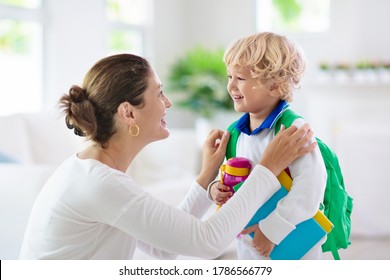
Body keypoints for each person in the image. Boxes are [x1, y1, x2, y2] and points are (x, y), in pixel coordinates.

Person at [19, 53, 316, 260]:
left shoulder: (91, 172)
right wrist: (267, 169)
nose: (168, 103)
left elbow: (163, 249)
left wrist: (205, 177)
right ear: (128, 112)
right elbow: (207, 241)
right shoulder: (100, 184)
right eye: (159, 94)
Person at [209, 32, 327, 260]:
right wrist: (215, 188)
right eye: (229, 76)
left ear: (275, 85)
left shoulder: (293, 130)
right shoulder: (236, 132)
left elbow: (311, 188)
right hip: (248, 246)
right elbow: (235, 180)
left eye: (240, 78)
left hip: (290, 246)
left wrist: (271, 231)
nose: (231, 85)